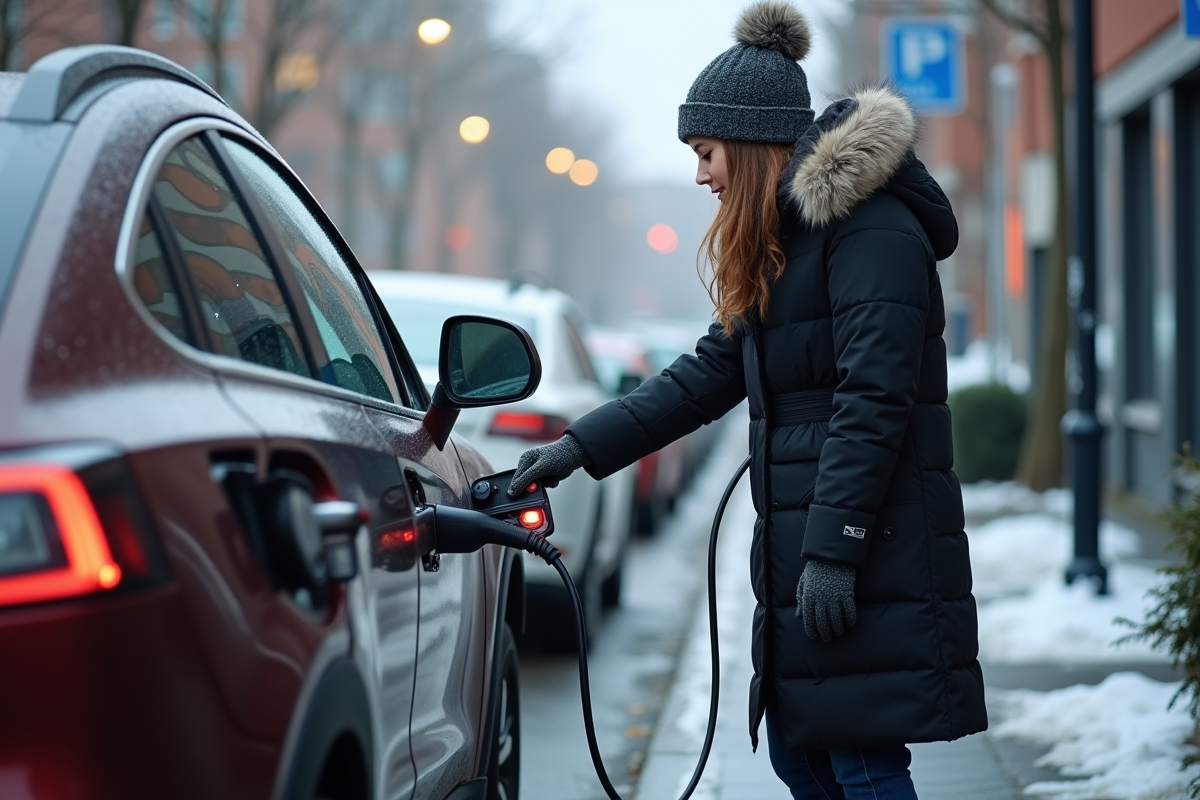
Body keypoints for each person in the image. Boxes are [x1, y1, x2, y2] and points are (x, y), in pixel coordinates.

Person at [507, 2, 987, 797]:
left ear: (753, 142)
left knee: (860, 758)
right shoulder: (788, 241)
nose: (700, 175)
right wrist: (574, 451)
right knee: (803, 753)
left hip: (867, 544)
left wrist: (835, 549)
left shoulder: (872, 230)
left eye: (706, 153)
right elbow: (704, 376)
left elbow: (875, 398)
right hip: (811, 541)